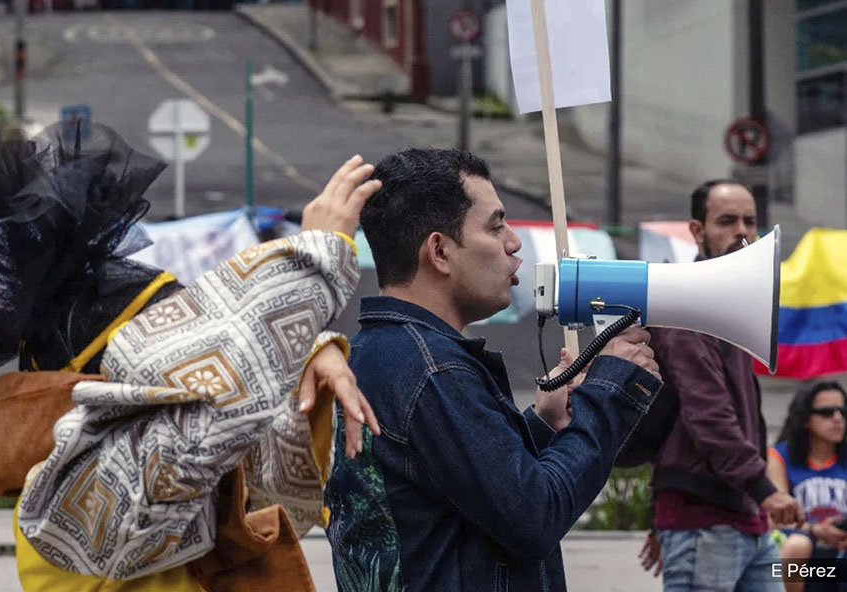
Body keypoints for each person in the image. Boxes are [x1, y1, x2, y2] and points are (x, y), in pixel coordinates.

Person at [0, 123, 381, 590]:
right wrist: (311, 265)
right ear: (115, 391)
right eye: (176, 354)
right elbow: (210, 420)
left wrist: (310, 355)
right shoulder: (72, 502)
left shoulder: (105, 457)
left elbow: (255, 448)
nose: (192, 372)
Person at [323, 147, 663, 592]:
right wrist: (608, 393)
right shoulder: (435, 372)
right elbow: (534, 516)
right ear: (439, 251)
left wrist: (542, 427)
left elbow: (465, 497)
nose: (514, 242)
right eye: (495, 225)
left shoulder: (374, 354)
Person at [638, 179, 803, 591]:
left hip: (742, 515)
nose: (742, 232)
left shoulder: (730, 301)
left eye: (750, 221)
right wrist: (764, 489)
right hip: (706, 521)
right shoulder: (689, 302)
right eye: (727, 221)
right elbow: (707, 414)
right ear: (697, 231)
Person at [767, 381, 847, 592]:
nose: (838, 418)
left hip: (840, 557)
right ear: (805, 419)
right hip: (801, 559)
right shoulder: (779, 457)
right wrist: (814, 530)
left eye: (843, 412)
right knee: (797, 545)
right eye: (827, 412)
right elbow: (775, 518)